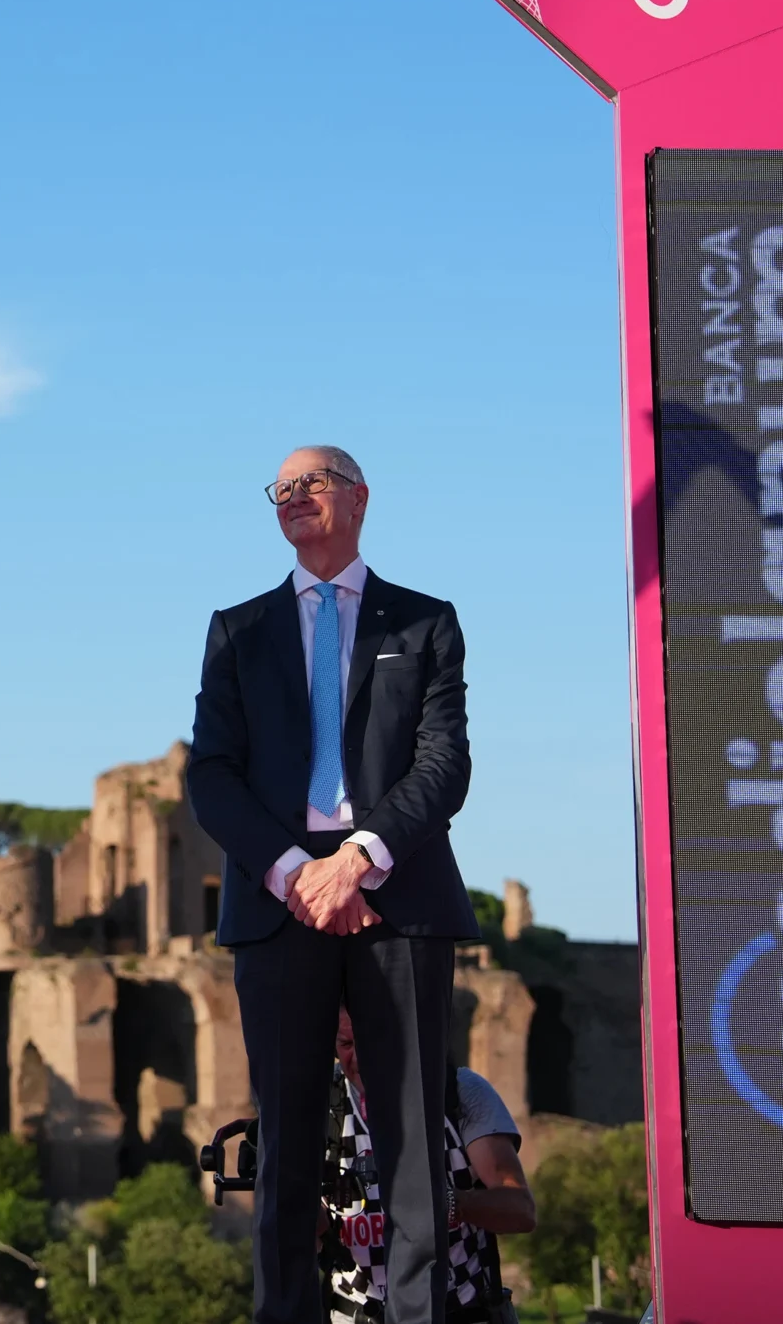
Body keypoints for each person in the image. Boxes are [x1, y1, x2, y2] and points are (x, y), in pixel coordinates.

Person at [184, 446, 479, 1324]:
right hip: (280, 904)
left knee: (414, 1140)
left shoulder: (425, 622)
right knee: (284, 1148)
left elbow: (445, 764)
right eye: (281, 488)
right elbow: (211, 776)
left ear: (359, 498)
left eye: (312, 481)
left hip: (398, 892)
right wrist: (294, 873)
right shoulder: (236, 631)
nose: (293, 495)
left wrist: (357, 860)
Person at [325, 1008, 531, 1323]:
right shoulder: (323, 1102)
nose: (361, 1059)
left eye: (371, 1041)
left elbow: (520, 1210)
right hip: (357, 1313)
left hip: (457, 1311)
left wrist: (449, 1203)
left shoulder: (458, 1092)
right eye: (347, 1045)